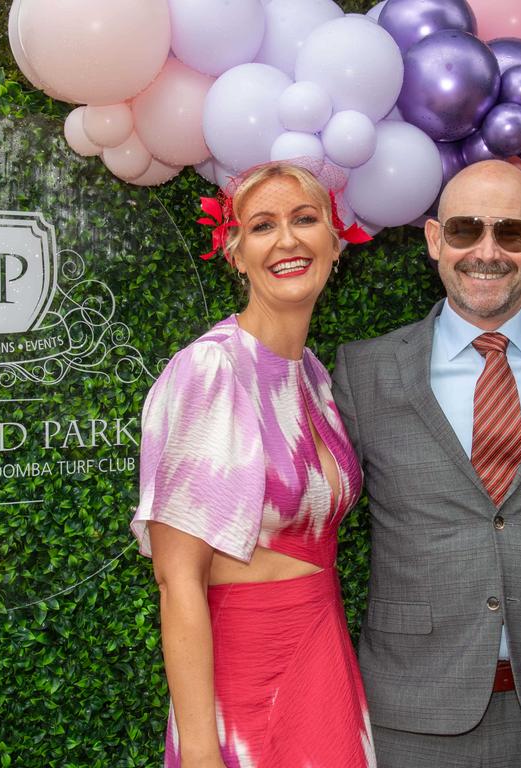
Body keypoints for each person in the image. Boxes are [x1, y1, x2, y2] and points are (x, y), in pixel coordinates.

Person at [331, 159, 521, 767]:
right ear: (435, 240)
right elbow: (314, 515)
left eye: (512, 233)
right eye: (467, 230)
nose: (488, 251)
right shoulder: (364, 372)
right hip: (415, 712)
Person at [132, 162, 376, 768]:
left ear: (334, 242)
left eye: (305, 219)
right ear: (236, 254)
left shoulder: (316, 377)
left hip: (324, 656)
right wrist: (200, 753)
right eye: (263, 225)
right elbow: (176, 578)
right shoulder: (210, 370)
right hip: (244, 672)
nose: (288, 240)